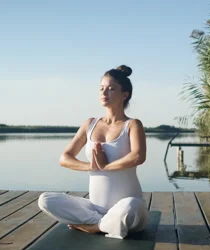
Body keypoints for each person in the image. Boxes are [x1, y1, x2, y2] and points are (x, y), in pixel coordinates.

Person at [38, 65, 149, 239]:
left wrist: (106, 166)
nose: (104, 93)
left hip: (126, 208)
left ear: (124, 95)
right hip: (94, 208)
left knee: (130, 208)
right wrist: (92, 166)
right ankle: (102, 223)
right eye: (102, 88)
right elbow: (65, 158)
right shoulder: (90, 124)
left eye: (111, 89)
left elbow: (138, 156)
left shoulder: (133, 125)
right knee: (45, 200)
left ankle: (94, 227)